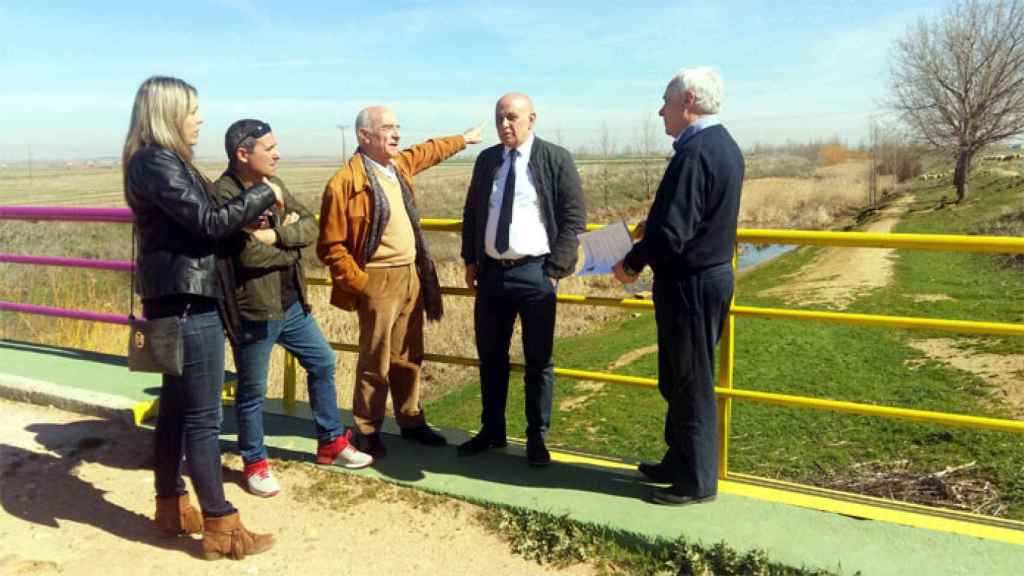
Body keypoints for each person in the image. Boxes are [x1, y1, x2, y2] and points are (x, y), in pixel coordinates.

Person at [123, 76, 280, 559]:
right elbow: (207, 222)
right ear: (168, 114)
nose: (200, 119)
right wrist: (263, 194)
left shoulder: (155, 161)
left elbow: (198, 225)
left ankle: (171, 507)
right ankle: (221, 524)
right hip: (191, 304)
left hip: (175, 300)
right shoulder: (156, 161)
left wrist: (240, 216)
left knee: (174, 409)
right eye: (192, 110)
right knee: (204, 418)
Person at [213, 119, 373, 498]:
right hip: (254, 309)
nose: (277, 153)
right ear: (242, 154)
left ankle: (330, 441)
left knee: (323, 361)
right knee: (252, 391)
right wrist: (286, 247)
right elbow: (245, 254)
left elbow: (311, 225)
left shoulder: (274, 185)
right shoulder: (223, 195)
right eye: (269, 148)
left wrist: (275, 235)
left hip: (291, 305)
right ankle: (254, 461)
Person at [317, 106, 482, 457]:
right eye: (387, 128)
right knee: (375, 357)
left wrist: (463, 140)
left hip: (411, 274)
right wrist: (361, 284)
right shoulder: (345, 183)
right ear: (365, 136)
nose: (396, 134)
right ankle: (367, 429)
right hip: (376, 279)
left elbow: (427, 151)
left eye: (397, 127)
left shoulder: (397, 166)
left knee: (408, 355)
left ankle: (411, 419)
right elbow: (331, 246)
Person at [613, 67, 744, 506]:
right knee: (679, 376)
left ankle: (697, 481)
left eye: (666, 103)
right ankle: (679, 460)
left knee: (691, 381)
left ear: (688, 100)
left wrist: (631, 263)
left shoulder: (696, 153)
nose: (661, 111)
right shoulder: (723, 145)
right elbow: (691, 215)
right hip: (708, 277)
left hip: (690, 283)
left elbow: (673, 234)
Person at [458, 93, 586, 466]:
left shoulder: (555, 158)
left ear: (532, 118)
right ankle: (492, 430)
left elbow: (574, 218)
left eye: (512, 118)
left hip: (536, 275)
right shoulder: (487, 160)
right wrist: (470, 259)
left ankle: (536, 438)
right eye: (499, 118)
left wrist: (553, 272)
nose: (504, 125)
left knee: (538, 362)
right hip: (492, 275)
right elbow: (472, 212)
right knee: (491, 358)